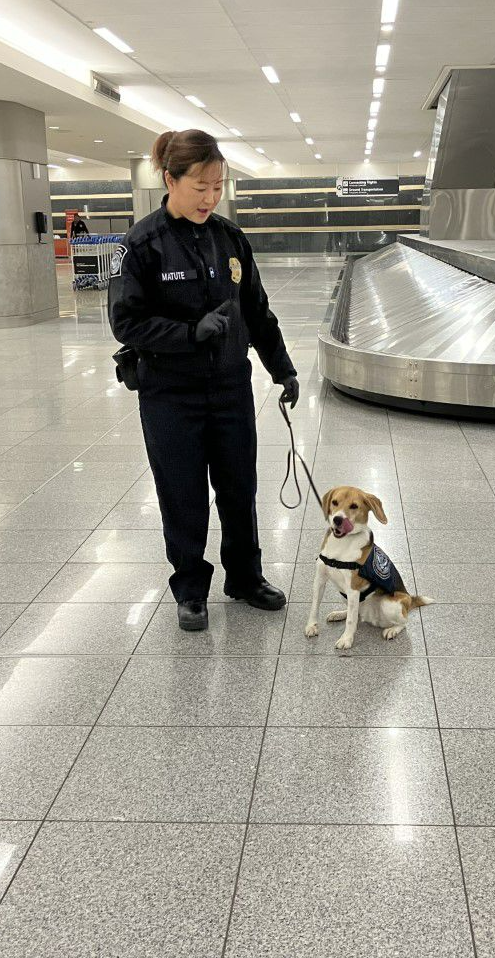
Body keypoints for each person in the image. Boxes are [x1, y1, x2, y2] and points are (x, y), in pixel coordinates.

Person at [109, 129, 299, 632]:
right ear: (170, 180)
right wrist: (189, 333)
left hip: (231, 389)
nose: (210, 198)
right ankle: (191, 588)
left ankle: (245, 577)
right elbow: (125, 322)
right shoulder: (141, 245)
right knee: (183, 494)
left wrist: (282, 367)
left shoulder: (230, 238)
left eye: (218, 187)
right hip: (171, 394)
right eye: (200, 187)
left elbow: (257, 311)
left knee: (239, 489)